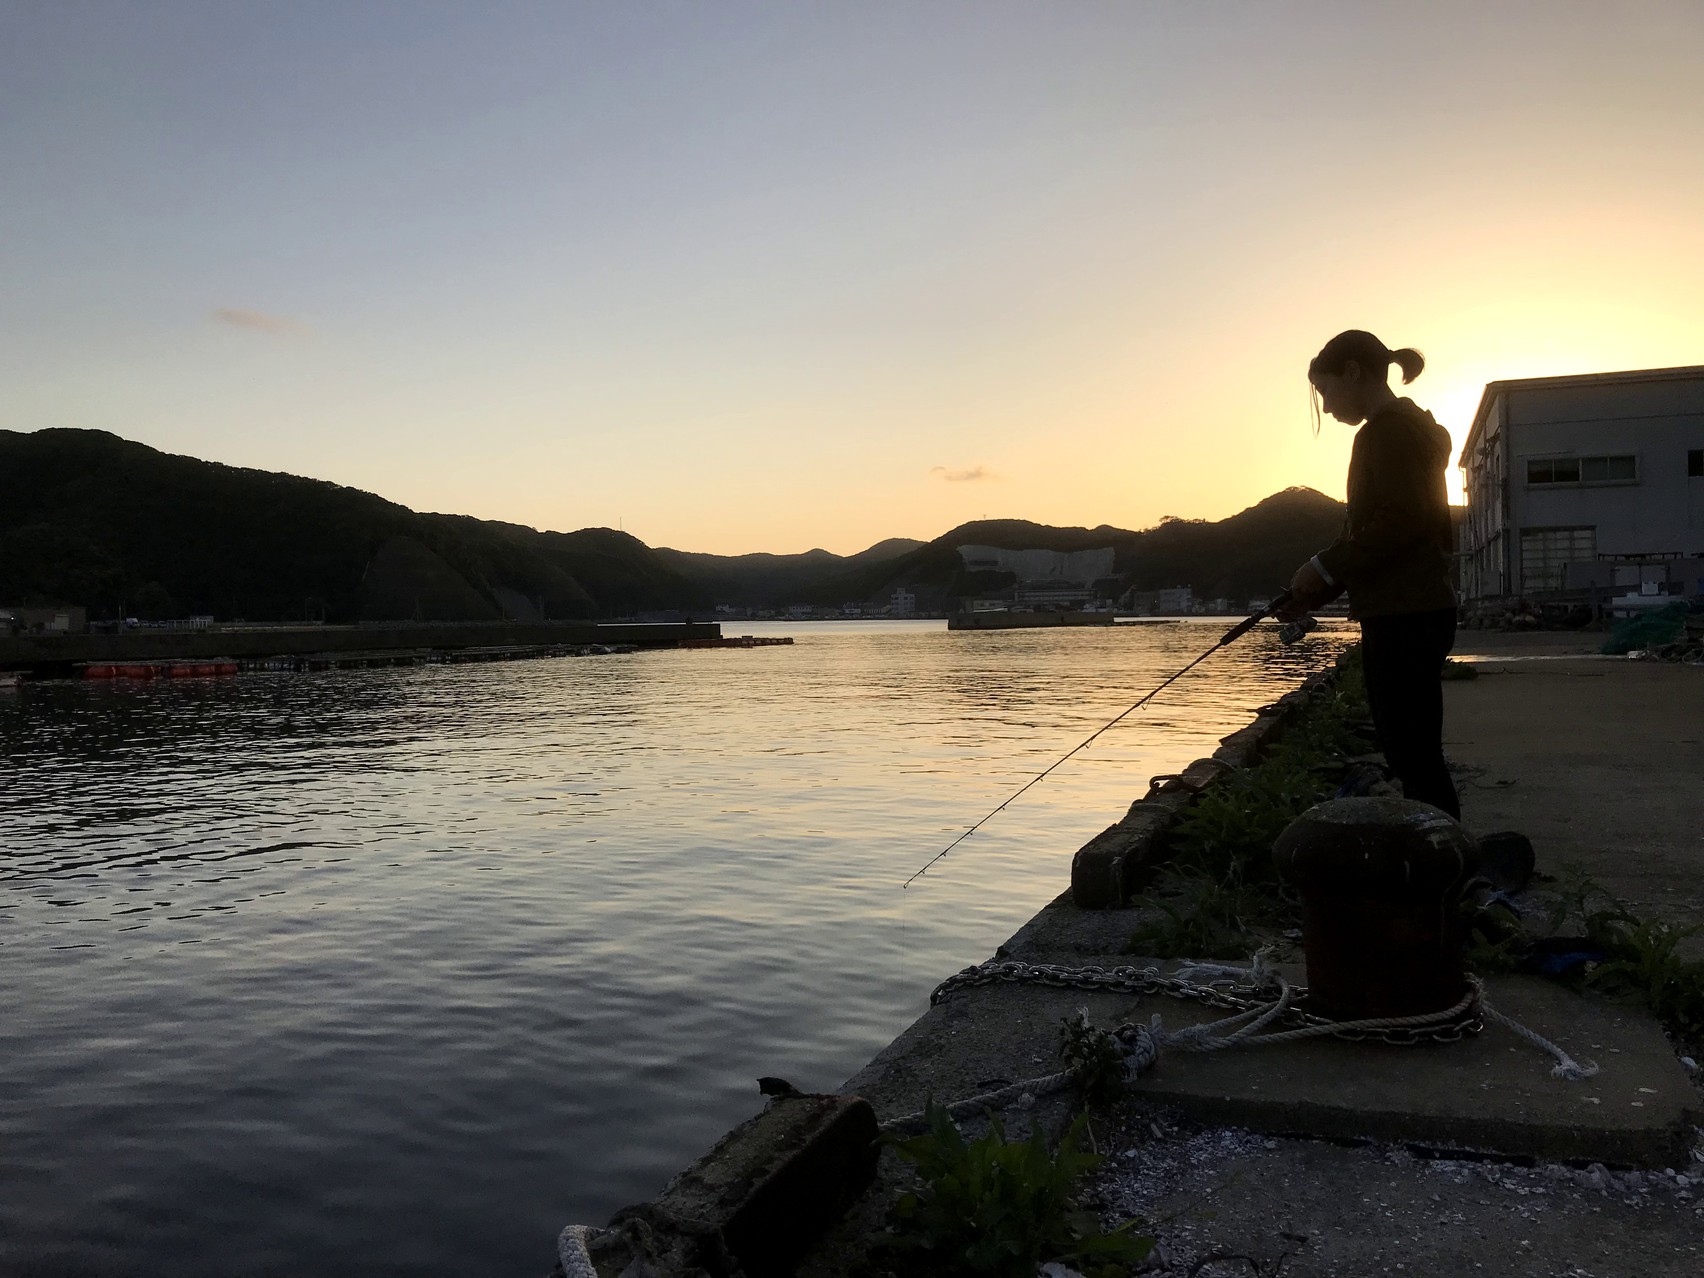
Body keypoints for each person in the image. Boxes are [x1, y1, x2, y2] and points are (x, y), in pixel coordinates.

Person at [1283, 329, 1461, 820]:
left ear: (1354, 373)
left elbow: (1402, 522)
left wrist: (1323, 566)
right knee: (1413, 751)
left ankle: (1443, 861)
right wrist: (1318, 588)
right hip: (1415, 608)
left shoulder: (1387, 431)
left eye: (1325, 391)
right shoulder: (1407, 428)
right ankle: (1442, 857)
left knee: (1413, 754)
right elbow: (1382, 533)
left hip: (1406, 613)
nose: (1326, 405)